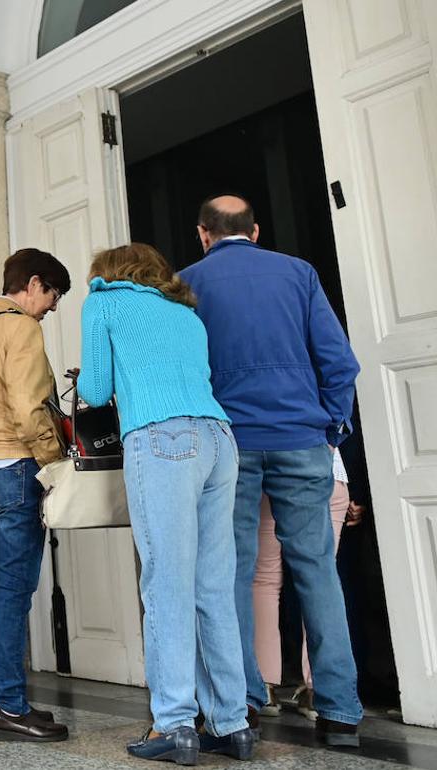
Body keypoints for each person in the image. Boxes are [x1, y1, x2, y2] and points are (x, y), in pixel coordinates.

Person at [180, 194, 362, 748]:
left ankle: (242, 703)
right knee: (317, 572)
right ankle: (340, 712)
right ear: (255, 231)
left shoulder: (187, 283)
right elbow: (339, 361)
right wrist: (330, 427)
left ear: (203, 234)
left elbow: (183, 367)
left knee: (230, 572)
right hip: (300, 439)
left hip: (228, 444)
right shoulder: (298, 273)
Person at [79, 243, 254, 764]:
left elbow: (94, 387)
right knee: (214, 587)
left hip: (161, 440)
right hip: (220, 440)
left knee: (167, 584)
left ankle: (175, 724)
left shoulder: (103, 301)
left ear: (108, 273)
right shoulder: (185, 311)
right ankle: (231, 723)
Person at [0, 248, 71, 743]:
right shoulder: (21, 327)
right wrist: (53, 460)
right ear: (33, 284)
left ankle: (4, 697)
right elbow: (29, 409)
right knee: (13, 590)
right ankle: (7, 703)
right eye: (52, 294)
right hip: (14, 464)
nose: (52, 306)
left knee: (2, 589)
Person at [252, 447, 357, 719]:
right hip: (330, 474)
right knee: (321, 579)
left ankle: (264, 686)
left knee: (264, 580)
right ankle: (319, 691)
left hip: (272, 472)